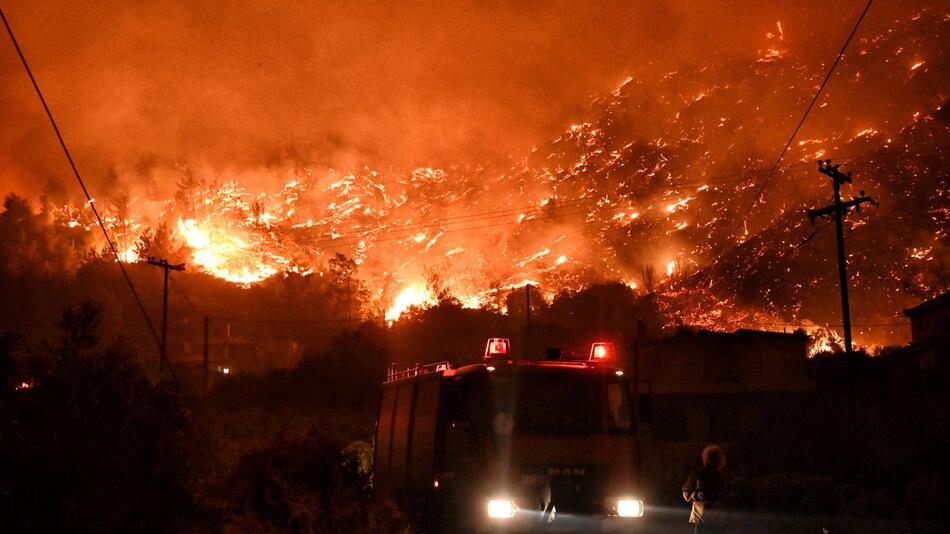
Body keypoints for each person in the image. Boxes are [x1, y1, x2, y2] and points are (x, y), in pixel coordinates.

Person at [682, 444, 728, 533]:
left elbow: (686, 492)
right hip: (711, 519)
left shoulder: (719, 477)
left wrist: (694, 495)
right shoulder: (720, 477)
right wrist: (695, 495)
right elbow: (686, 492)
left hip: (707, 518)